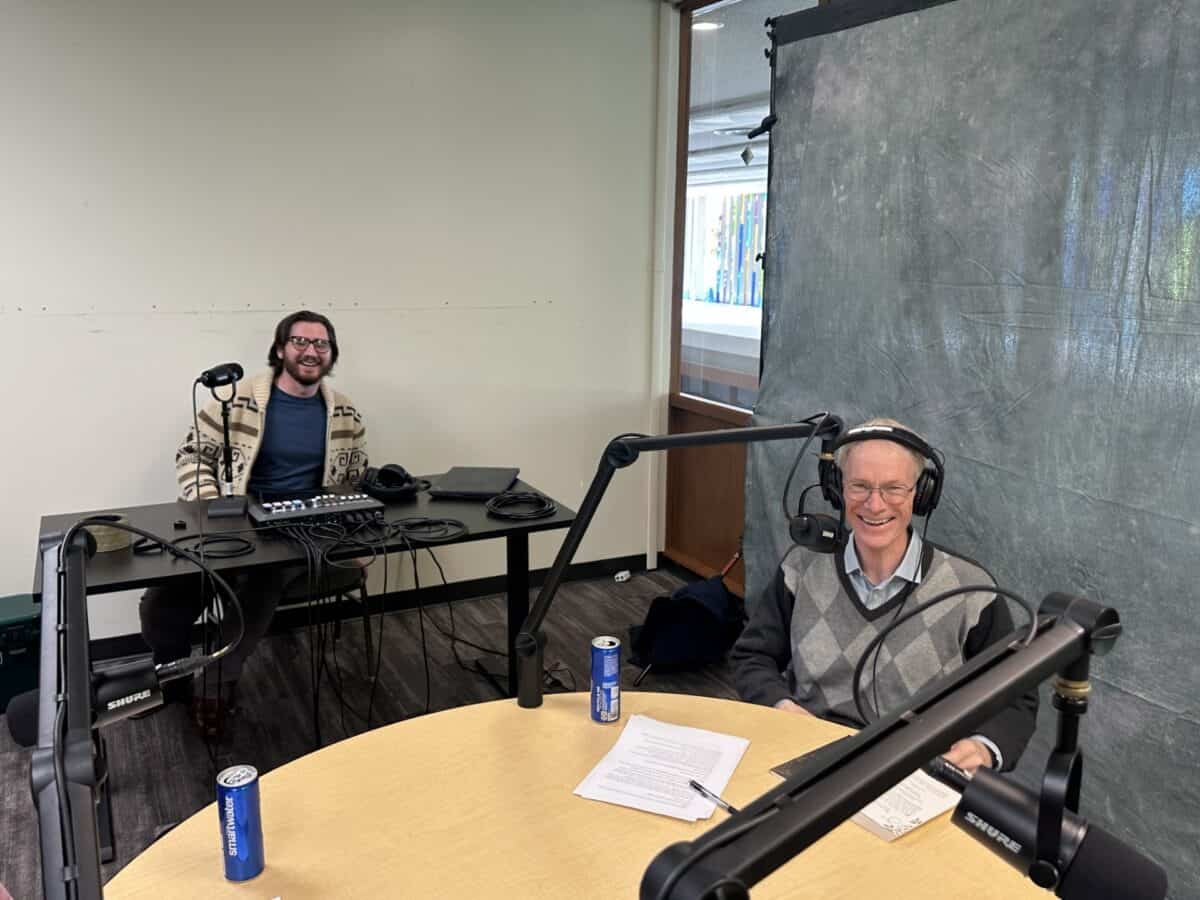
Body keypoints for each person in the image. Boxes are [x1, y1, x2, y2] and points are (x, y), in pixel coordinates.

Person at [731, 418, 1037, 773]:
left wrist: (984, 747)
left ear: (920, 494)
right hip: (808, 760)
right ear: (837, 489)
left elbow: (1017, 697)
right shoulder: (802, 567)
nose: (875, 505)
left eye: (894, 488)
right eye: (860, 486)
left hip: (916, 771)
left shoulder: (971, 590)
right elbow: (752, 657)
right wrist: (780, 705)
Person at [139, 310, 368, 735]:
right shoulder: (236, 401)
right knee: (161, 604)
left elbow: (353, 477)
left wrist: (352, 542)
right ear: (281, 349)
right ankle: (172, 678)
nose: (311, 351)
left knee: (259, 586)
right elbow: (192, 455)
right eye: (300, 341)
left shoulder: (344, 412)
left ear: (331, 354)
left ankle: (215, 685)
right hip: (233, 524)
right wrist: (208, 506)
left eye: (321, 344)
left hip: (304, 532)